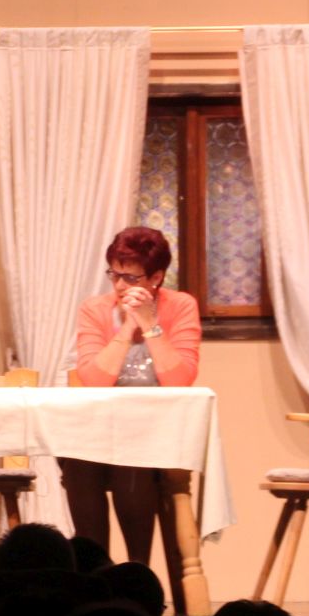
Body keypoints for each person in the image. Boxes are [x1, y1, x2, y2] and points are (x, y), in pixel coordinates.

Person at [60, 227, 203, 570]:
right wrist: (126, 327)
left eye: (131, 277)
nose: (120, 286)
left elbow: (179, 380)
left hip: (155, 430)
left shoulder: (180, 306)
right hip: (102, 427)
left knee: (131, 463)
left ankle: (137, 571)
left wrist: (150, 324)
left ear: (156, 277)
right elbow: (93, 381)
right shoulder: (95, 309)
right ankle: (94, 574)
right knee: (76, 459)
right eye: (114, 275)